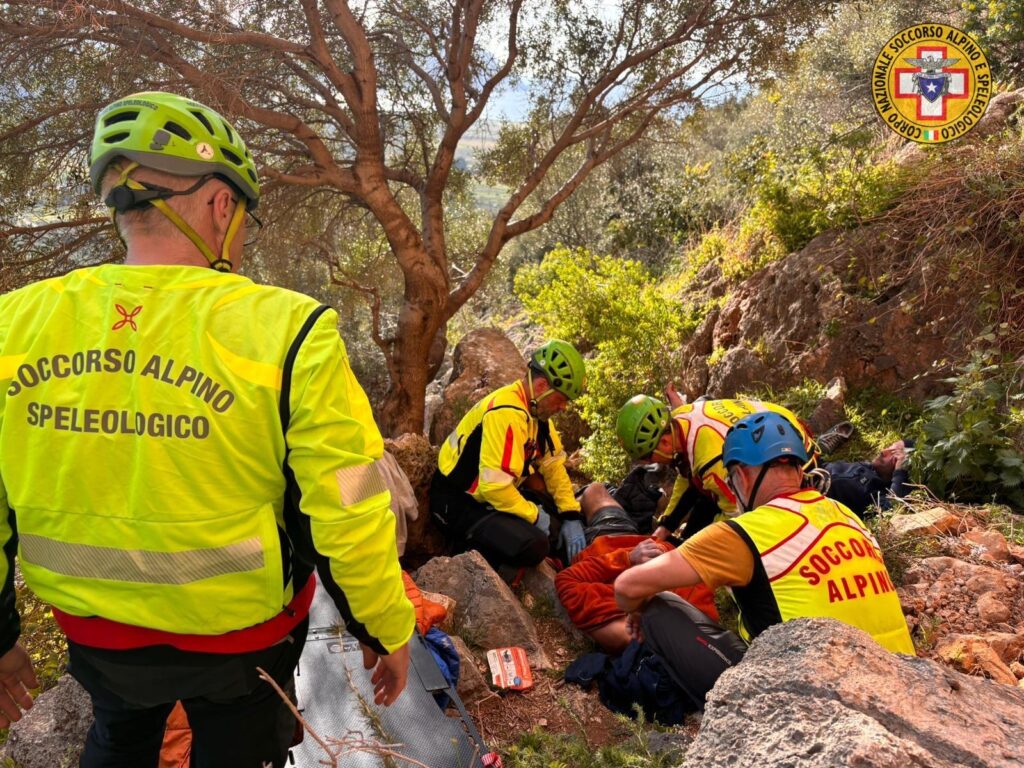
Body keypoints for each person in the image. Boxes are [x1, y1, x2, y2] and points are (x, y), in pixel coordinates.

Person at [0, 91, 414, 767]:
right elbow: (348, 503)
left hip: (96, 636)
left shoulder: (13, 323)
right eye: (242, 214)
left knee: (120, 734)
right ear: (221, 205)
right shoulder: (291, 330)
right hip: (241, 642)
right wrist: (384, 626)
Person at [613, 412, 914, 707]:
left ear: (741, 476)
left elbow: (627, 586)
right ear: (798, 469)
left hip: (818, 702)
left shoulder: (744, 532)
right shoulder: (846, 514)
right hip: (906, 687)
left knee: (657, 606)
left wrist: (637, 610)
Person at [430, 340, 588, 570]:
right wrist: (534, 515)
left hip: (493, 496)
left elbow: (553, 465)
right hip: (457, 503)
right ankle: (465, 558)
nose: (563, 407)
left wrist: (570, 514)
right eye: (562, 399)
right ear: (543, 386)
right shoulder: (507, 414)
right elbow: (493, 488)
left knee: (560, 518)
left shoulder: (537, 413)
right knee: (535, 544)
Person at [615, 390, 817, 541]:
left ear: (665, 443)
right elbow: (687, 477)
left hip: (797, 462)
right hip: (783, 428)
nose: (652, 464)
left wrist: (696, 545)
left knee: (707, 521)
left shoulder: (711, 459)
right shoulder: (681, 417)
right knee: (701, 496)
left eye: (649, 458)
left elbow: (736, 514)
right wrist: (667, 525)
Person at [824, 438, 913, 517]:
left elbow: (891, 509)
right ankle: (823, 445)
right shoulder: (866, 466)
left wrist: (900, 473)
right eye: (889, 447)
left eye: (894, 454)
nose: (883, 451)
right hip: (815, 467)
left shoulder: (878, 493)